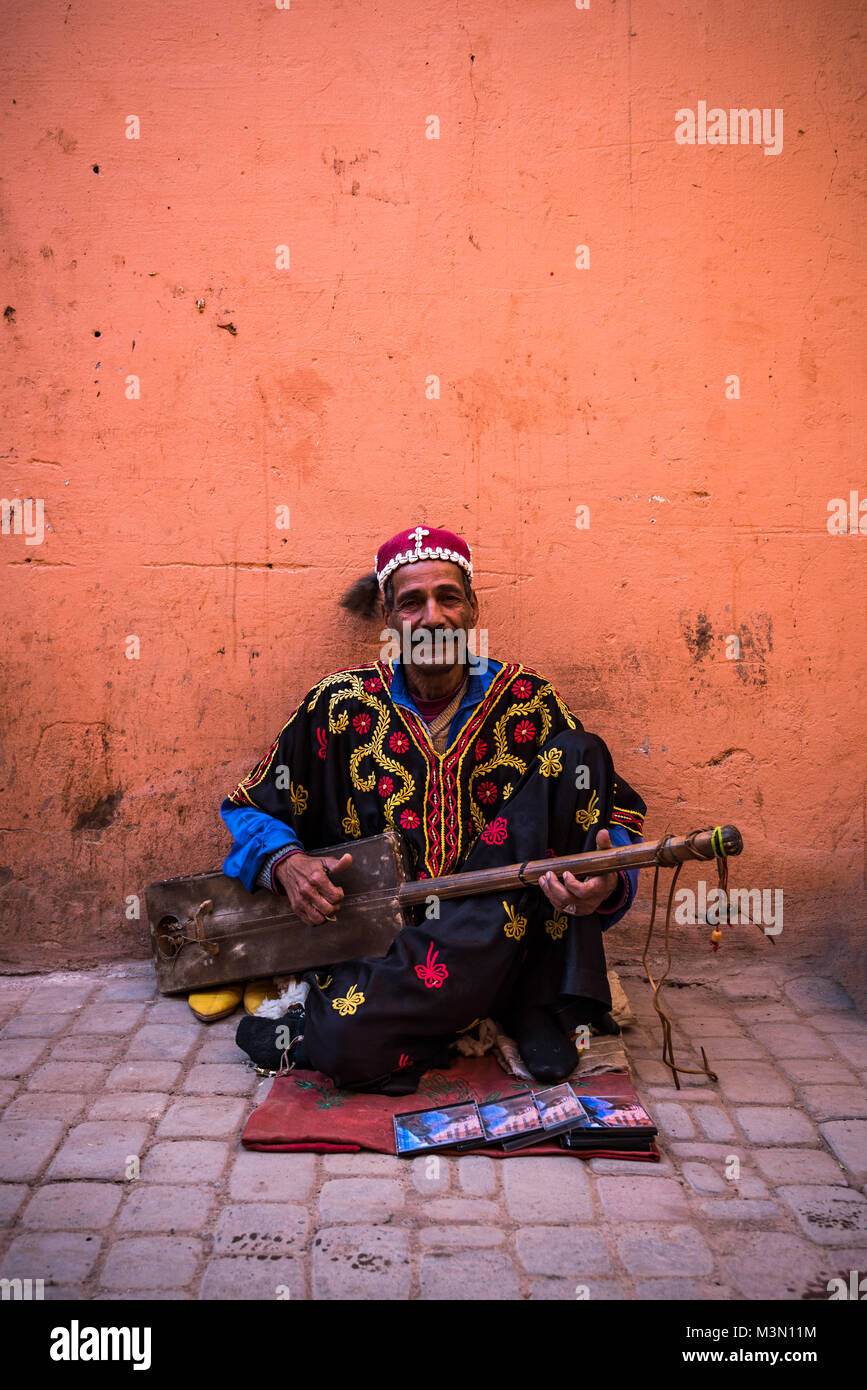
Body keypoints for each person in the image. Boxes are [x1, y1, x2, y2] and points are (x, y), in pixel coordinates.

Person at [194, 524, 647, 1094]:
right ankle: (468, 1010)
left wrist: (606, 882)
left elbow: (617, 817)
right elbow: (249, 806)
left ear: (473, 609)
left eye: (448, 597)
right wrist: (285, 862)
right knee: (342, 1048)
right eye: (412, 602)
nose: (433, 617)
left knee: (582, 753)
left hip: (519, 933)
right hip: (395, 950)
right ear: (388, 618)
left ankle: (534, 998)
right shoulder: (338, 707)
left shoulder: (531, 702)